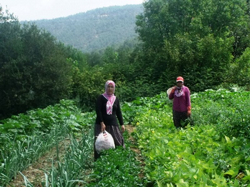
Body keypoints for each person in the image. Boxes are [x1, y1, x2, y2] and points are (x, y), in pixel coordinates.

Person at [94, 80, 125, 160]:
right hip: (101, 125)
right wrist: (101, 122)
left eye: (112, 87)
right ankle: (99, 161)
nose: (110, 89)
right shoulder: (101, 98)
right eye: (108, 86)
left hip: (113, 124)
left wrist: (122, 124)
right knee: (100, 143)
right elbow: (98, 110)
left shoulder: (116, 99)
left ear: (114, 88)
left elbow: (118, 112)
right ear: (105, 87)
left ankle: (117, 159)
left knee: (118, 141)